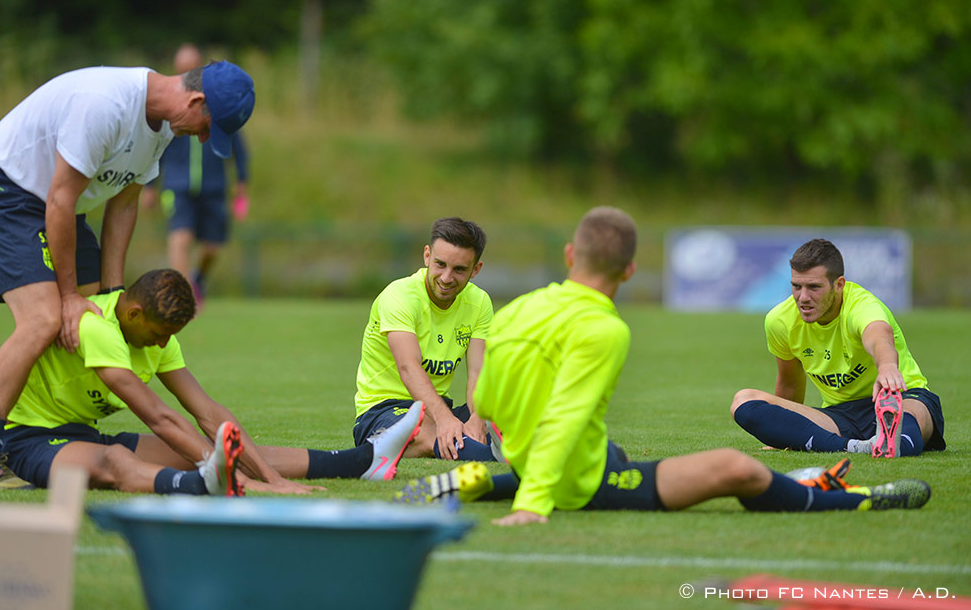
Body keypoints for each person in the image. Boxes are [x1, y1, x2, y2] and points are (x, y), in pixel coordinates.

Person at [394, 207, 930, 524]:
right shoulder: (605, 328)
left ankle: (484, 480)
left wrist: (524, 455)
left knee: (603, 453)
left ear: (568, 255)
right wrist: (535, 502)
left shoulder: (516, 309)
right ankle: (855, 503)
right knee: (735, 469)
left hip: (546, 460)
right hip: (587, 479)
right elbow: (566, 415)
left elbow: (484, 400)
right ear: (629, 271)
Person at [0, 58, 256, 421]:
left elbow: (124, 205)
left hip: (57, 204)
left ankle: (40, 427)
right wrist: (69, 296)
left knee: (100, 317)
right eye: (207, 128)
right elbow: (60, 199)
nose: (202, 138)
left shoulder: (165, 128)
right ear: (196, 101)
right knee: (43, 319)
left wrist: (111, 292)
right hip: (6, 188)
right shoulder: (106, 106)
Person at [0, 269, 424, 496]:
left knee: (232, 448)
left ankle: (361, 461)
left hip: (78, 433)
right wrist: (244, 480)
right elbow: (161, 417)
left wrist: (263, 474)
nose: (164, 344)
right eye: (160, 333)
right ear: (133, 315)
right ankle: (206, 485)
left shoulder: (155, 334)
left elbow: (207, 412)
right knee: (113, 468)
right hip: (28, 441)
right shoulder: (98, 329)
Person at [729, 238, 945, 458]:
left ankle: (893, 442)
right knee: (744, 401)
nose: (803, 298)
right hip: (840, 416)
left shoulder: (863, 306)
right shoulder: (779, 320)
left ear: (839, 284)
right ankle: (854, 447)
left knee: (909, 422)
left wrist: (888, 368)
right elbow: (790, 384)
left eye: (814, 287)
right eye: (796, 286)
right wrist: (781, 432)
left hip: (902, 399)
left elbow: (880, 338)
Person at [352, 217, 499, 462]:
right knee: (430, 432)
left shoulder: (480, 302)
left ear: (476, 269)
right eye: (440, 264)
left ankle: (474, 443)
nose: (446, 277)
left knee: (507, 415)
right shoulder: (399, 296)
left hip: (436, 407)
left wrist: (477, 419)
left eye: (459, 269)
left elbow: (478, 373)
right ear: (427, 256)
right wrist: (445, 420)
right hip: (384, 410)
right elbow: (408, 368)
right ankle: (489, 456)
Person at [141, 44, 251, 305]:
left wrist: (242, 181)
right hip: (177, 186)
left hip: (214, 186)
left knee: (213, 246)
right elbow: (158, 150)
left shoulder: (219, 106)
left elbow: (239, 149)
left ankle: (197, 277)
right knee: (181, 237)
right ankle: (183, 299)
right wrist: (149, 186)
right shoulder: (171, 111)